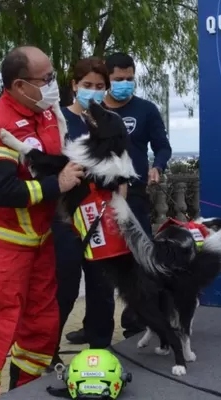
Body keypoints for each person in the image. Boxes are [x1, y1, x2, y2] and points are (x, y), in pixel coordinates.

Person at [0, 46, 85, 400]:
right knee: (0, 324)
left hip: (41, 237)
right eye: (46, 79)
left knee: (42, 324)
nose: (53, 85)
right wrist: (56, 185)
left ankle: (25, 391)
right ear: (20, 85)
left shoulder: (48, 114)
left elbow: (57, 160)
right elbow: (2, 190)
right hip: (3, 239)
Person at [65, 52, 173, 343]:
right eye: (118, 80)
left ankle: (136, 322)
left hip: (131, 195)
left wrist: (157, 166)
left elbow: (163, 147)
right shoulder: (91, 116)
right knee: (94, 268)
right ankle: (93, 326)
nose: (125, 84)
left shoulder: (146, 110)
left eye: (130, 79)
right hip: (89, 201)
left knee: (135, 261)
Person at [51, 57, 116, 365]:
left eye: (100, 87)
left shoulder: (107, 122)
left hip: (101, 217)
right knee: (63, 289)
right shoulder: (58, 120)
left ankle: (101, 350)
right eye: (87, 85)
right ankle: (46, 352)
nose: (93, 91)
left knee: (102, 287)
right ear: (74, 86)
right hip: (65, 219)